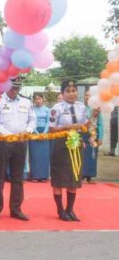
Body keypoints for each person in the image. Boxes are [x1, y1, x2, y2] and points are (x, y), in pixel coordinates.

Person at [0, 77, 35, 221]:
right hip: (3, 141)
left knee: (18, 177)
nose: (15, 90)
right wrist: (8, 135)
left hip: (21, 141)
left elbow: (32, 119)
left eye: (17, 88)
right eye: (12, 87)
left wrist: (28, 130)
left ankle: (16, 209)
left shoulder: (26, 102)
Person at [48, 80, 88, 221]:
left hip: (76, 143)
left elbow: (84, 126)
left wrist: (93, 117)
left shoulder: (81, 107)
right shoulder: (56, 108)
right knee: (59, 178)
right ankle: (60, 210)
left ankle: (70, 209)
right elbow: (51, 130)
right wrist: (70, 127)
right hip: (61, 145)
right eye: (68, 91)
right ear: (62, 93)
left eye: (74, 90)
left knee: (74, 177)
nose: (72, 94)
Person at [28, 93, 51, 182]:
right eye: (36, 99)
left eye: (40, 98)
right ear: (34, 100)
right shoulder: (32, 109)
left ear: (43, 99)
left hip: (45, 133)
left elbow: (49, 122)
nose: (38, 100)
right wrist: (36, 133)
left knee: (44, 155)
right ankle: (34, 176)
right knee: (34, 155)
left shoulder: (47, 110)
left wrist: (44, 132)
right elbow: (31, 121)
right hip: (34, 132)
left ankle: (44, 176)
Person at [81, 91, 102, 184]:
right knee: (82, 154)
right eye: (86, 95)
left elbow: (100, 124)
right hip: (83, 133)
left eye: (89, 95)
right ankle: (81, 175)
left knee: (92, 155)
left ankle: (90, 176)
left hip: (93, 134)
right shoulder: (80, 108)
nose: (87, 97)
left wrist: (101, 137)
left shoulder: (96, 109)